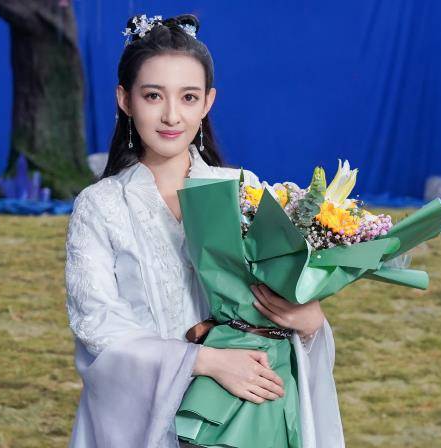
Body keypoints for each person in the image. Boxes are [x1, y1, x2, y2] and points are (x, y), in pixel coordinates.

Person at [65, 13, 345, 448]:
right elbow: (98, 325)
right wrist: (205, 361)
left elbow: (276, 298)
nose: (171, 115)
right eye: (153, 95)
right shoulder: (100, 206)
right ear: (125, 99)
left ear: (208, 102)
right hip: (147, 422)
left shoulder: (244, 189)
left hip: (248, 415)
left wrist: (310, 325)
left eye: (189, 97)